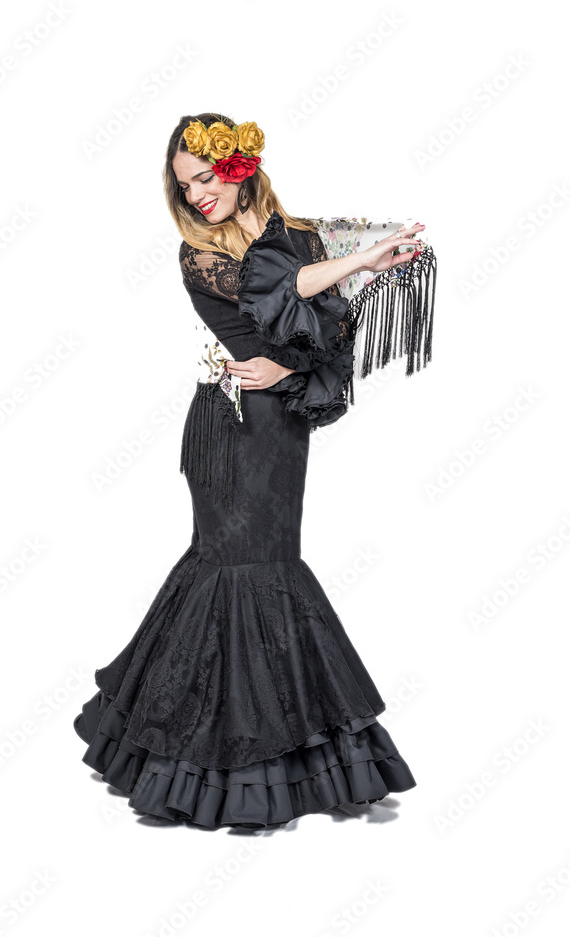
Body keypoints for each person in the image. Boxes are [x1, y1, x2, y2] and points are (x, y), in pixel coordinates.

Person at [73, 111, 429, 831]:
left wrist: (371, 258)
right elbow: (283, 289)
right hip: (231, 426)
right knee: (243, 571)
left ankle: (189, 742)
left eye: (206, 176)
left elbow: (327, 314)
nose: (198, 195)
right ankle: (223, 763)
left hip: (280, 423)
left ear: (236, 168)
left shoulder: (294, 235)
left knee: (246, 568)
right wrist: (357, 262)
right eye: (185, 185)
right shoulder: (197, 257)